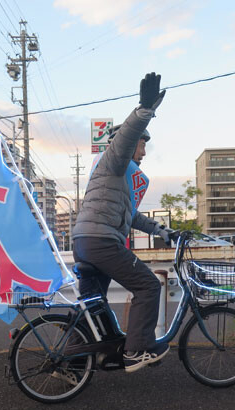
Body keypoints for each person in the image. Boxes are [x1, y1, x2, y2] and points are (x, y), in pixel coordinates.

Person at [72, 72, 173, 373]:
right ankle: (136, 350)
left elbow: (132, 218)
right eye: (142, 144)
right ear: (128, 145)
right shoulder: (114, 160)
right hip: (101, 242)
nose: (144, 150)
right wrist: (144, 110)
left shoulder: (119, 178)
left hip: (86, 242)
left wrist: (160, 229)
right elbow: (127, 136)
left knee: (93, 306)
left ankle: (73, 360)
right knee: (147, 286)